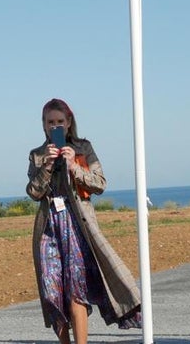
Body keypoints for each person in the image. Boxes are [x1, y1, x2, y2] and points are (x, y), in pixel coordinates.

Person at [26, 97, 141, 344]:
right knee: (52, 290)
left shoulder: (83, 149)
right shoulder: (37, 155)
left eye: (60, 121)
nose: (55, 126)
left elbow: (100, 184)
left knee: (77, 291)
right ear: (44, 125)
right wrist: (46, 165)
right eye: (50, 122)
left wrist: (73, 166)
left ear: (68, 123)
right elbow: (34, 192)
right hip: (49, 228)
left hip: (78, 225)